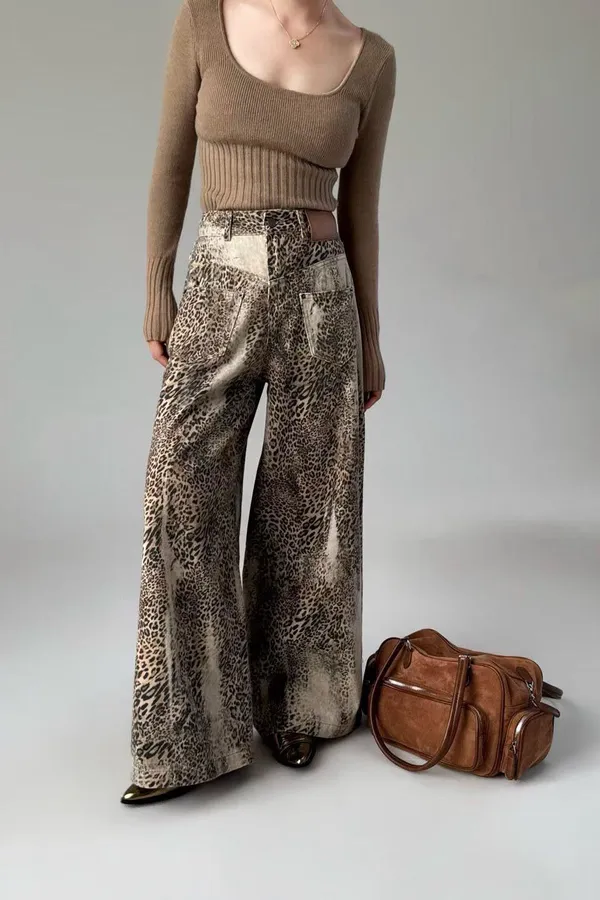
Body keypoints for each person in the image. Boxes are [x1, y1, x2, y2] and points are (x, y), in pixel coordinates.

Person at [121, 0, 396, 804]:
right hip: (220, 285)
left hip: (322, 296)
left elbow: (361, 208)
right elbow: (170, 164)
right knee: (181, 491)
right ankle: (186, 732)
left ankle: (295, 707)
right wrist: (157, 290)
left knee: (310, 507)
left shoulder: (371, 58)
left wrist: (372, 334)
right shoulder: (204, 19)